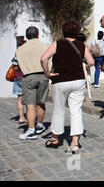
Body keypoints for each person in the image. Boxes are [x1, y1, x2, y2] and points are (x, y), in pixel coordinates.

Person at [40, 21, 94, 152]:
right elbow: (91, 62)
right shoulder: (82, 45)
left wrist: (47, 73)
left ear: (64, 31)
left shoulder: (58, 43)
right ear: (77, 32)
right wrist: (81, 66)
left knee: (59, 109)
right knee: (76, 110)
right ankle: (75, 143)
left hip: (60, 79)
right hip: (78, 80)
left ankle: (55, 137)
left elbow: (44, 58)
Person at [15, 26, 49, 140]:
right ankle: (39, 124)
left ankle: (31, 130)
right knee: (41, 102)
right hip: (43, 75)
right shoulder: (45, 47)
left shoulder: (20, 49)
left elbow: (17, 65)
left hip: (28, 76)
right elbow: (50, 61)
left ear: (27, 36)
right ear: (38, 35)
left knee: (30, 105)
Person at [11, 38, 27, 125]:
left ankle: (21, 117)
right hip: (27, 77)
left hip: (18, 77)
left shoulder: (17, 52)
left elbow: (15, 66)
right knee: (30, 98)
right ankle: (30, 116)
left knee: (20, 98)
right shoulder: (28, 53)